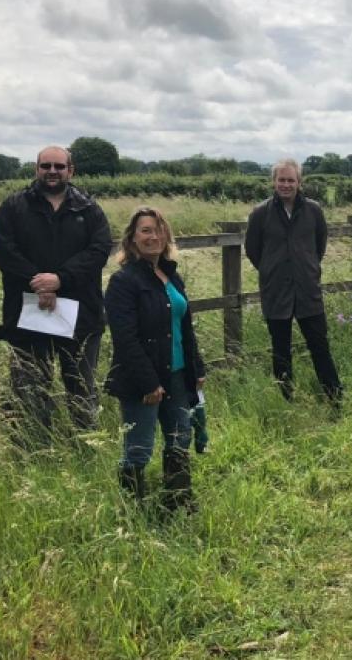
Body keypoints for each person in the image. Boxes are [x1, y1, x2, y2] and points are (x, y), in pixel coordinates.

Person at [0, 145, 112, 436]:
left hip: (81, 314)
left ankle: (87, 445)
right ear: (36, 169)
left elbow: (98, 252)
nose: (52, 171)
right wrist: (38, 281)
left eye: (59, 166)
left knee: (81, 389)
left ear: (71, 170)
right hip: (28, 314)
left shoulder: (89, 209)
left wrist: (60, 279)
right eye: (46, 166)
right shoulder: (13, 207)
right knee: (30, 388)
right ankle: (34, 450)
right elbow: (5, 251)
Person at [104, 207, 205, 509]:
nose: (154, 236)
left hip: (177, 373)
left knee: (179, 437)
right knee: (139, 447)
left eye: (159, 229)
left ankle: (178, 502)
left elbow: (185, 327)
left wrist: (196, 369)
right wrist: (148, 383)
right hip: (142, 379)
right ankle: (133, 511)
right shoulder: (124, 282)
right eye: (146, 230)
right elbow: (125, 339)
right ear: (132, 239)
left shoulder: (172, 276)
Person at [245, 159, 342, 404]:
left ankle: (335, 398)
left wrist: (306, 269)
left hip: (307, 290)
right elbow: (253, 250)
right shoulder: (260, 213)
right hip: (276, 292)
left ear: (299, 182)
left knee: (319, 346)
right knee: (280, 350)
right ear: (273, 182)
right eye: (281, 180)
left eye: (291, 180)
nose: (286, 185)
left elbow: (319, 247)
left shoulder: (313, 211)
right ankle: (287, 400)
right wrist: (271, 271)